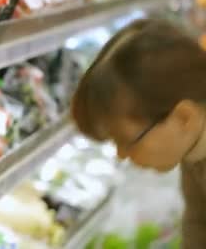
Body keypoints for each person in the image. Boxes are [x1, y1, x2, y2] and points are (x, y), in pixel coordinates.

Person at [71, 18, 206, 248]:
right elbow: (198, 222)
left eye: (126, 141)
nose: (122, 154)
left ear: (184, 118)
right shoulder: (193, 147)